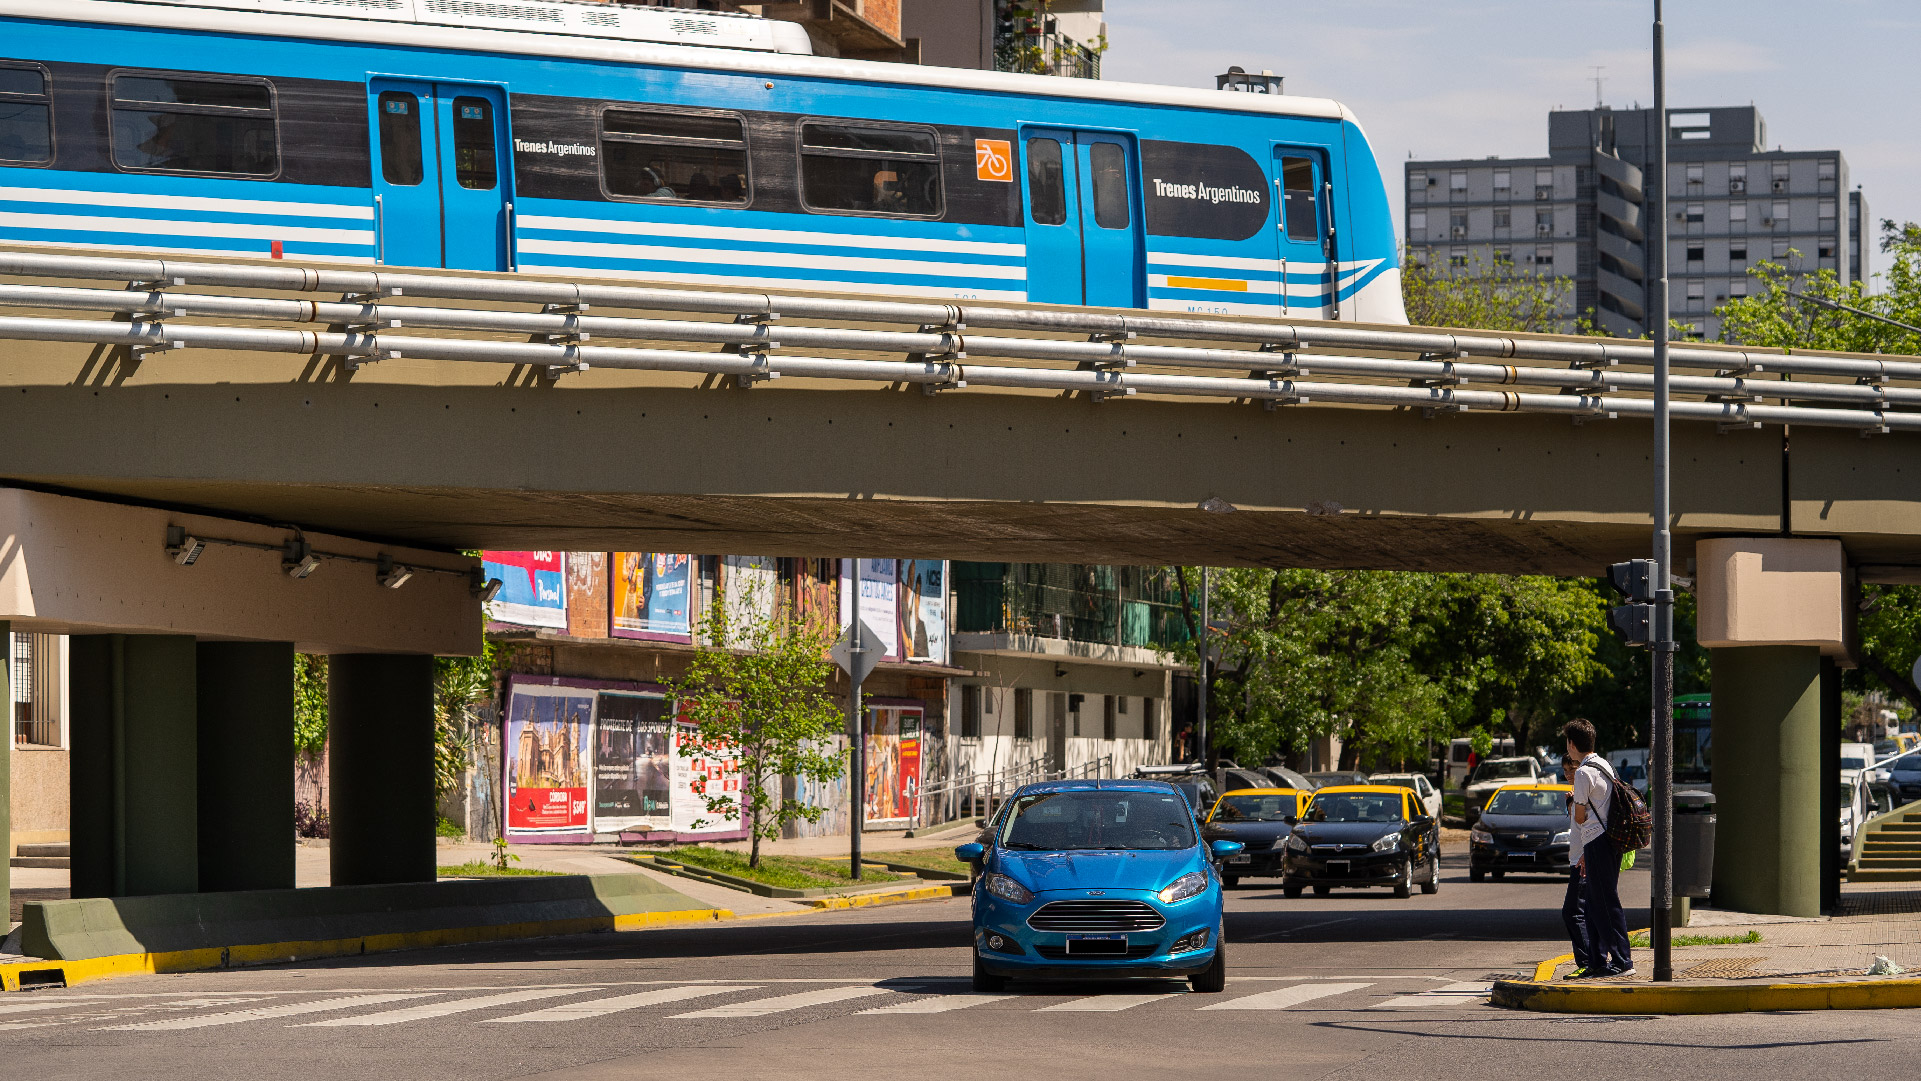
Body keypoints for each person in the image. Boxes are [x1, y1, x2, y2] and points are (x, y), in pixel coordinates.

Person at [1567, 718, 1633, 977]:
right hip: (1609, 839)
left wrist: (1574, 804)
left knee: (1606, 902)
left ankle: (1622, 960)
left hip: (1597, 841)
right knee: (1594, 903)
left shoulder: (1583, 773)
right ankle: (1596, 961)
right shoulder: (1604, 764)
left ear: (1572, 744)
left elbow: (1581, 817)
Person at [1558, 753, 1591, 978]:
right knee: (1584, 912)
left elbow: (1591, 825)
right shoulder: (1574, 794)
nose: (1569, 774)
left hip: (1583, 861)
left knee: (1572, 912)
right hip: (1577, 859)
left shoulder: (1584, 790)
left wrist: (1587, 855)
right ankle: (1593, 959)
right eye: (1566, 770)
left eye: (1572, 769)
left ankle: (1587, 961)